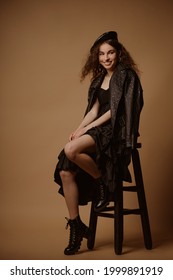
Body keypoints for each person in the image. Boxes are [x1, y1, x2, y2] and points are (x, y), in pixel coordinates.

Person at [54, 31, 143, 255]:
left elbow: (116, 111)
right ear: (97, 57)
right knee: (66, 170)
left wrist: (87, 129)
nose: (106, 58)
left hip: (115, 131)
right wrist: (79, 127)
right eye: (102, 54)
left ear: (119, 53)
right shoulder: (98, 79)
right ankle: (76, 225)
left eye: (110, 52)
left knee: (71, 150)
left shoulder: (126, 75)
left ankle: (102, 180)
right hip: (98, 130)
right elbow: (94, 110)